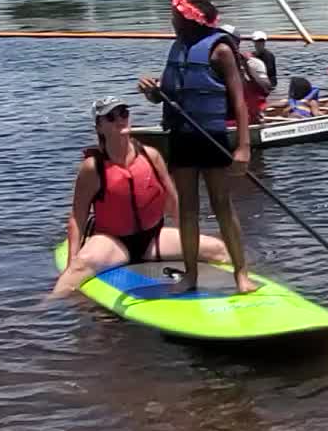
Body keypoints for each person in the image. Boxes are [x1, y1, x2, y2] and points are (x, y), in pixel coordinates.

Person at [135, 0, 257, 295]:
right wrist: (152, 91)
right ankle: (190, 275)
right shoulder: (177, 47)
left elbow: (240, 102)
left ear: (190, 17)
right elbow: (165, 96)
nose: (171, 19)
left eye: (175, 14)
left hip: (212, 137)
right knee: (187, 209)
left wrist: (243, 148)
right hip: (182, 136)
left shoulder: (220, 50)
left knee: (221, 206)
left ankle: (241, 273)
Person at [50, 97, 231, 300]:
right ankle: (44, 311)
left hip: (152, 238)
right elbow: (77, 217)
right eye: (110, 117)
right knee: (79, 268)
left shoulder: (150, 156)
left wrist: (189, 242)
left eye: (123, 114)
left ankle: (238, 285)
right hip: (113, 242)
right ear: (99, 127)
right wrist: (71, 261)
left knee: (218, 249)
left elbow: (173, 204)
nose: (119, 120)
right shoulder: (93, 168)